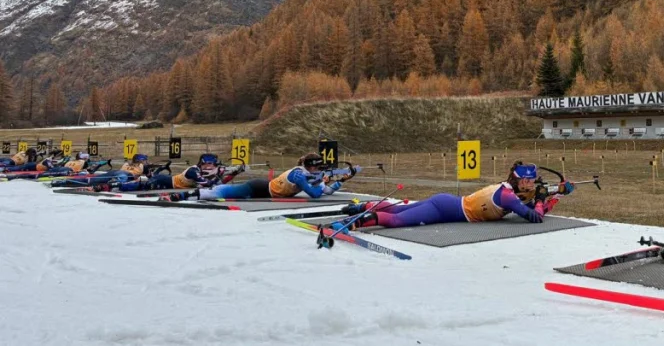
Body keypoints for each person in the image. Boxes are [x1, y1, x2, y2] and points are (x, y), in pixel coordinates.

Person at [338, 161, 574, 229]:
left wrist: (557, 195)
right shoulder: (508, 197)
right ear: (518, 179)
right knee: (398, 219)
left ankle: (361, 207)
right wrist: (544, 200)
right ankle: (356, 222)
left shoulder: (511, 191)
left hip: (447, 203)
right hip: (444, 210)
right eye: (528, 181)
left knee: (398, 209)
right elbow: (535, 216)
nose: (532, 184)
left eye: (533, 181)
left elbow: (533, 202)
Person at [165, 152, 355, 202]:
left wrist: (342, 180)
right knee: (221, 192)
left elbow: (327, 191)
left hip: (269, 192)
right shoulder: (298, 175)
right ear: (310, 167)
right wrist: (322, 181)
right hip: (260, 187)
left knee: (226, 191)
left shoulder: (312, 176)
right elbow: (314, 194)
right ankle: (183, 196)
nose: (321, 171)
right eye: (319, 168)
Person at [97, 153, 243, 193]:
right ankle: (112, 186)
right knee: (141, 185)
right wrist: (219, 174)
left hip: (170, 184)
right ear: (202, 163)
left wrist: (233, 174)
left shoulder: (205, 172)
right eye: (208, 163)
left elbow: (218, 183)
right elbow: (207, 184)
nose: (211, 166)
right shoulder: (194, 170)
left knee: (143, 185)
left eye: (213, 164)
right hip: (165, 180)